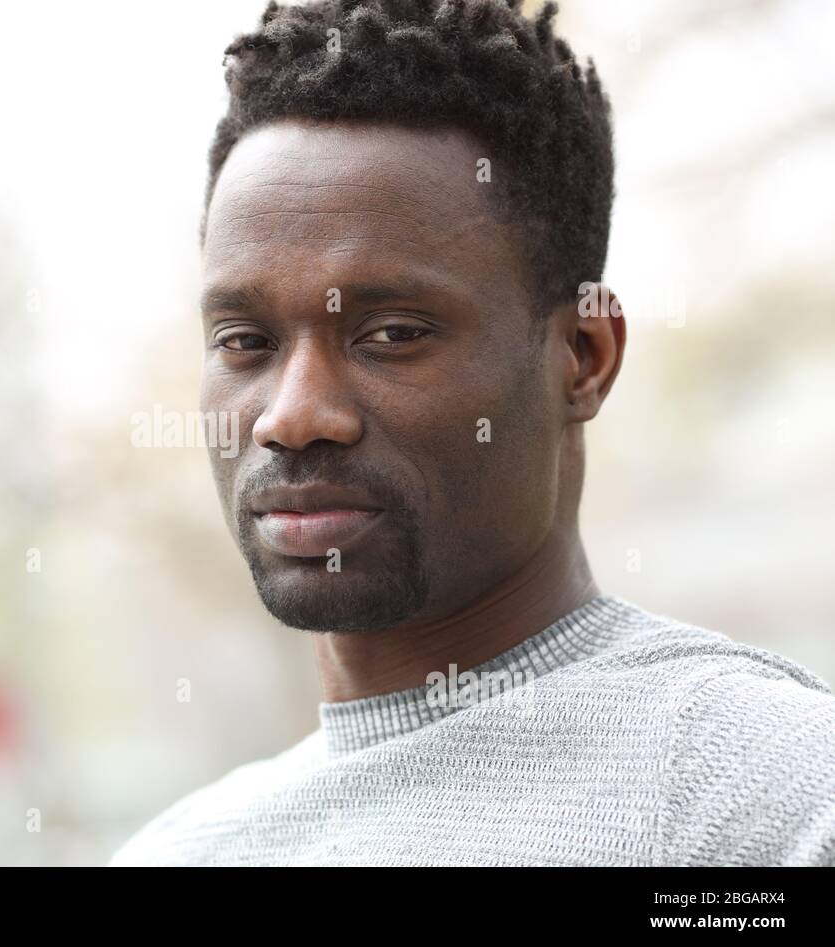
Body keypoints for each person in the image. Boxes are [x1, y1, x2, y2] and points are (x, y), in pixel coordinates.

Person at [108, 0, 835, 865]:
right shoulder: (180, 853)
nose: (292, 415)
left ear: (583, 357)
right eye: (245, 343)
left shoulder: (763, 800)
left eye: (392, 334)